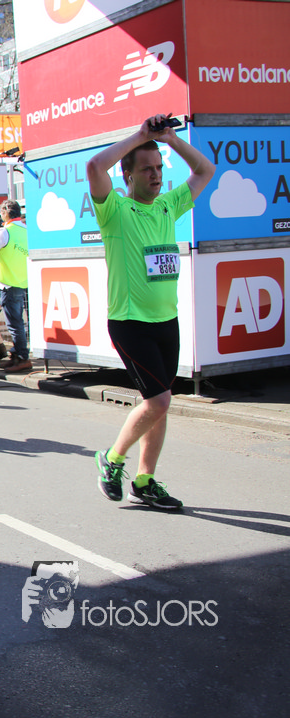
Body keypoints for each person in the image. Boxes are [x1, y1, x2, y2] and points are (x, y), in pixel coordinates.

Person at [87, 113, 215, 510]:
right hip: (130, 322)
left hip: (166, 321)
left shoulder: (167, 206)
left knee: (160, 404)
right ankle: (112, 459)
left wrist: (170, 140)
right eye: (147, 169)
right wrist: (140, 135)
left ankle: (144, 481)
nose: (156, 175)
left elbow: (205, 170)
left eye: (159, 168)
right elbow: (94, 167)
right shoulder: (115, 211)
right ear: (128, 175)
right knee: (158, 402)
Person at [0, 200, 32, 372]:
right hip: (21, 281)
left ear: (5, 213)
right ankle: (16, 355)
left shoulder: (4, 231)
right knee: (17, 322)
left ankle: (22, 357)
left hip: (7, 283)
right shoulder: (26, 230)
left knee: (14, 323)